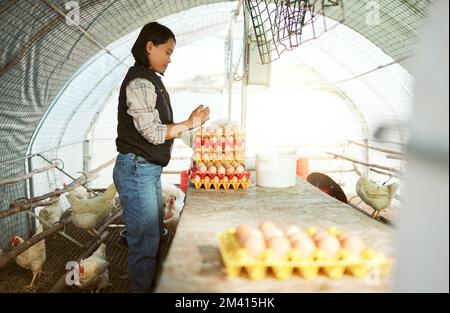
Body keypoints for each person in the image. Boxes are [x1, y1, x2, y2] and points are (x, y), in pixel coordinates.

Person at [112, 22, 210, 292]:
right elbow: (154, 133)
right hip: (136, 169)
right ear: (149, 47)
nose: (169, 59)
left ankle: (151, 285)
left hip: (145, 169)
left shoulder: (150, 80)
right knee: (144, 242)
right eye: (167, 52)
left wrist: (189, 127)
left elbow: (159, 129)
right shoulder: (141, 82)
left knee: (153, 235)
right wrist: (189, 124)